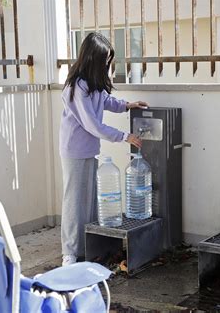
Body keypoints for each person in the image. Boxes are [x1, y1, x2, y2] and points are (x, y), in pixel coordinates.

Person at [59, 32, 148, 266]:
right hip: (74, 150)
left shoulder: (93, 84)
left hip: (89, 150)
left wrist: (127, 105)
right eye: (105, 60)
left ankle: (86, 247)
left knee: (89, 201)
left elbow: (106, 101)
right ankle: (70, 252)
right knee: (74, 201)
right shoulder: (78, 87)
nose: (107, 65)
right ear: (92, 59)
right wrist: (124, 136)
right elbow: (92, 124)